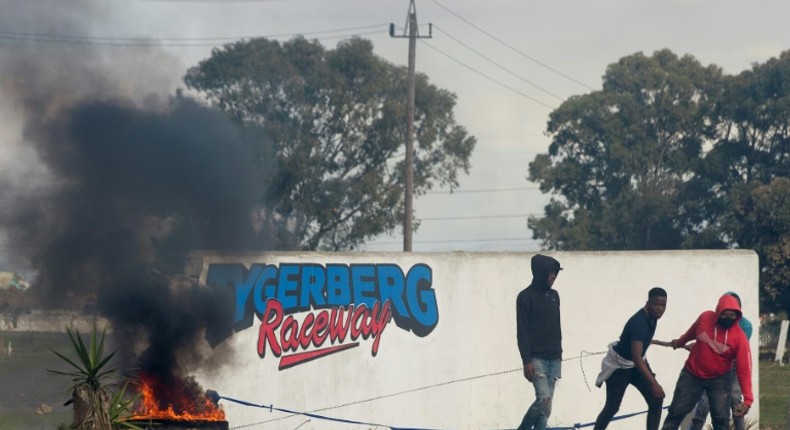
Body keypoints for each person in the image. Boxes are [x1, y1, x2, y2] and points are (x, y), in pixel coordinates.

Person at [660, 293, 753, 430]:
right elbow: (692, 332)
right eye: (725, 314)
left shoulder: (739, 337)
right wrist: (680, 342)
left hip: (720, 380)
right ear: (718, 312)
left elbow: (744, 369)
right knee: (676, 412)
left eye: (732, 315)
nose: (728, 318)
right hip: (692, 375)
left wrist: (748, 399)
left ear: (737, 315)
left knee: (721, 421)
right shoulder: (705, 318)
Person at [593, 287, 667, 430]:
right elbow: (636, 357)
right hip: (620, 368)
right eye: (656, 304)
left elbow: (641, 344)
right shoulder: (638, 322)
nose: (660, 309)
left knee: (656, 400)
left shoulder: (652, 318)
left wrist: (671, 344)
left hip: (636, 365)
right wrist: (654, 383)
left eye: (663, 305)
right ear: (648, 303)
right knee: (612, 407)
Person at [688, 292, 753, 430]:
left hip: (734, 368)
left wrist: (705, 343)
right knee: (704, 403)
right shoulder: (714, 322)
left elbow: (729, 350)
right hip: (716, 367)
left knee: (736, 400)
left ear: (738, 310)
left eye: (733, 309)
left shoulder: (746, 326)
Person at [516, 254, 563, 430]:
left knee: (546, 409)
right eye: (551, 273)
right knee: (544, 399)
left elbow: (557, 327)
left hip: (554, 357)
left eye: (555, 274)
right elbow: (522, 332)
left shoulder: (555, 296)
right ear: (540, 273)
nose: (553, 277)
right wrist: (526, 360)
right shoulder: (525, 297)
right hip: (537, 359)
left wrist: (559, 354)